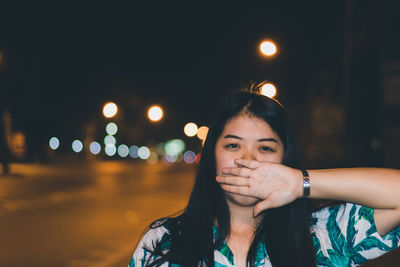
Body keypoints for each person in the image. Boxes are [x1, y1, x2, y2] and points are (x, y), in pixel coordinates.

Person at [129, 88, 400, 267]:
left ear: (286, 160)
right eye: (233, 145)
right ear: (213, 155)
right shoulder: (164, 240)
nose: (248, 159)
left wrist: (300, 183)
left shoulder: (322, 236)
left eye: (266, 148)